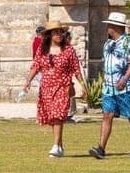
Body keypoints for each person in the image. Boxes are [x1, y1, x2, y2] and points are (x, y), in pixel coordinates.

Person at [88, 12, 130, 160]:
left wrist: (125, 78)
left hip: (127, 86)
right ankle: (101, 148)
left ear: (115, 26)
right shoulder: (108, 44)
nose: (107, 27)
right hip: (109, 86)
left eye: (109, 25)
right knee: (107, 115)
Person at [23, 20, 86, 158]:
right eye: (56, 32)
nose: (59, 34)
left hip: (63, 87)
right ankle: (60, 146)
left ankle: (56, 146)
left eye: (61, 32)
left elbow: (76, 68)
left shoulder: (68, 50)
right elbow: (36, 66)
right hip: (46, 87)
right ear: (49, 34)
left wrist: (83, 85)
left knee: (58, 114)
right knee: (52, 117)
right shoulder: (42, 50)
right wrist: (28, 81)